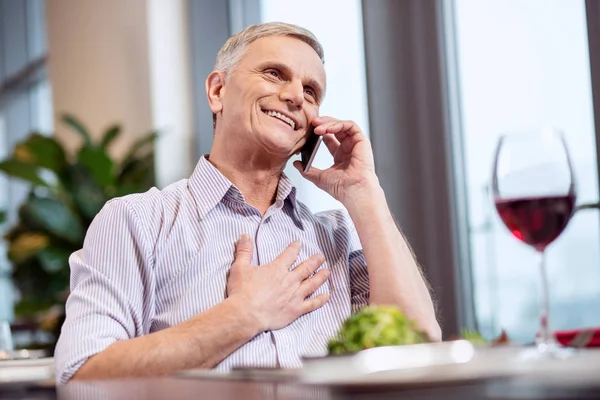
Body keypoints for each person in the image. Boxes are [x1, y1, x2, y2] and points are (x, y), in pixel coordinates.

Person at [55, 22, 440, 384]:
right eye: (274, 74)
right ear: (218, 92)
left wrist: (365, 193)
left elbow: (418, 346)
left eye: (311, 92)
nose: (293, 96)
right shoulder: (136, 220)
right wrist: (244, 314)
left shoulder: (334, 238)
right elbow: (83, 377)